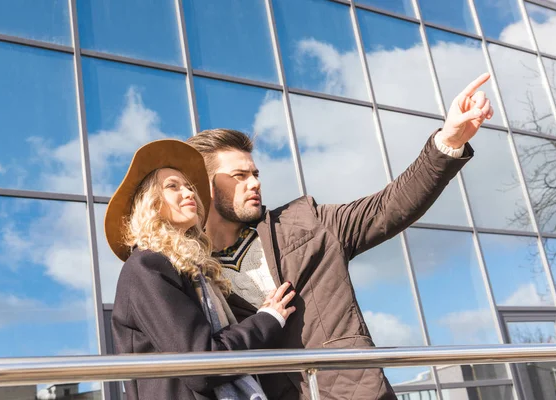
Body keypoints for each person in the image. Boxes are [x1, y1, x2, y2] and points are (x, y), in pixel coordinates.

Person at [185, 73, 495, 399]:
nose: (255, 183)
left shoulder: (307, 222)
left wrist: (449, 140)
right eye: (239, 176)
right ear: (205, 186)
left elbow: (388, 207)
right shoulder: (190, 271)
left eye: (255, 173)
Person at [105, 139, 296, 400]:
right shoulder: (146, 266)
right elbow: (201, 364)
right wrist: (268, 319)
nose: (189, 193)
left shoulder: (194, 271)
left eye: (189, 187)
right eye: (173, 186)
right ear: (150, 203)